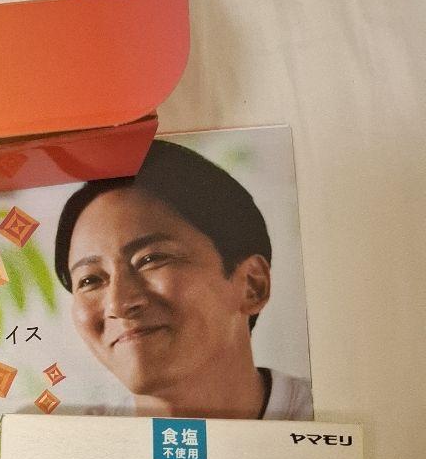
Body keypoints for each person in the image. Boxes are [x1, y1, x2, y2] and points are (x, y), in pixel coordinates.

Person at [54, 139, 313, 420]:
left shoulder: (325, 416)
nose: (118, 304)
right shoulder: (63, 441)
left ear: (252, 285)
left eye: (151, 259)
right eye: (90, 280)